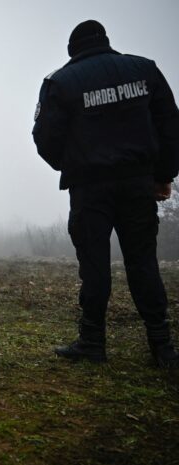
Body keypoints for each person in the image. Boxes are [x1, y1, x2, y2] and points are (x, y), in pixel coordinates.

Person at [32, 20, 179, 367]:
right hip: (137, 183)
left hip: (89, 188)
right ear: (106, 41)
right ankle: (162, 345)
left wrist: (73, 164)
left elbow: (44, 138)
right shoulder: (145, 70)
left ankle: (92, 342)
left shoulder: (60, 82)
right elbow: (170, 125)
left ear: (73, 49)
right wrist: (163, 175)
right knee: (143, 261)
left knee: (94, 265)